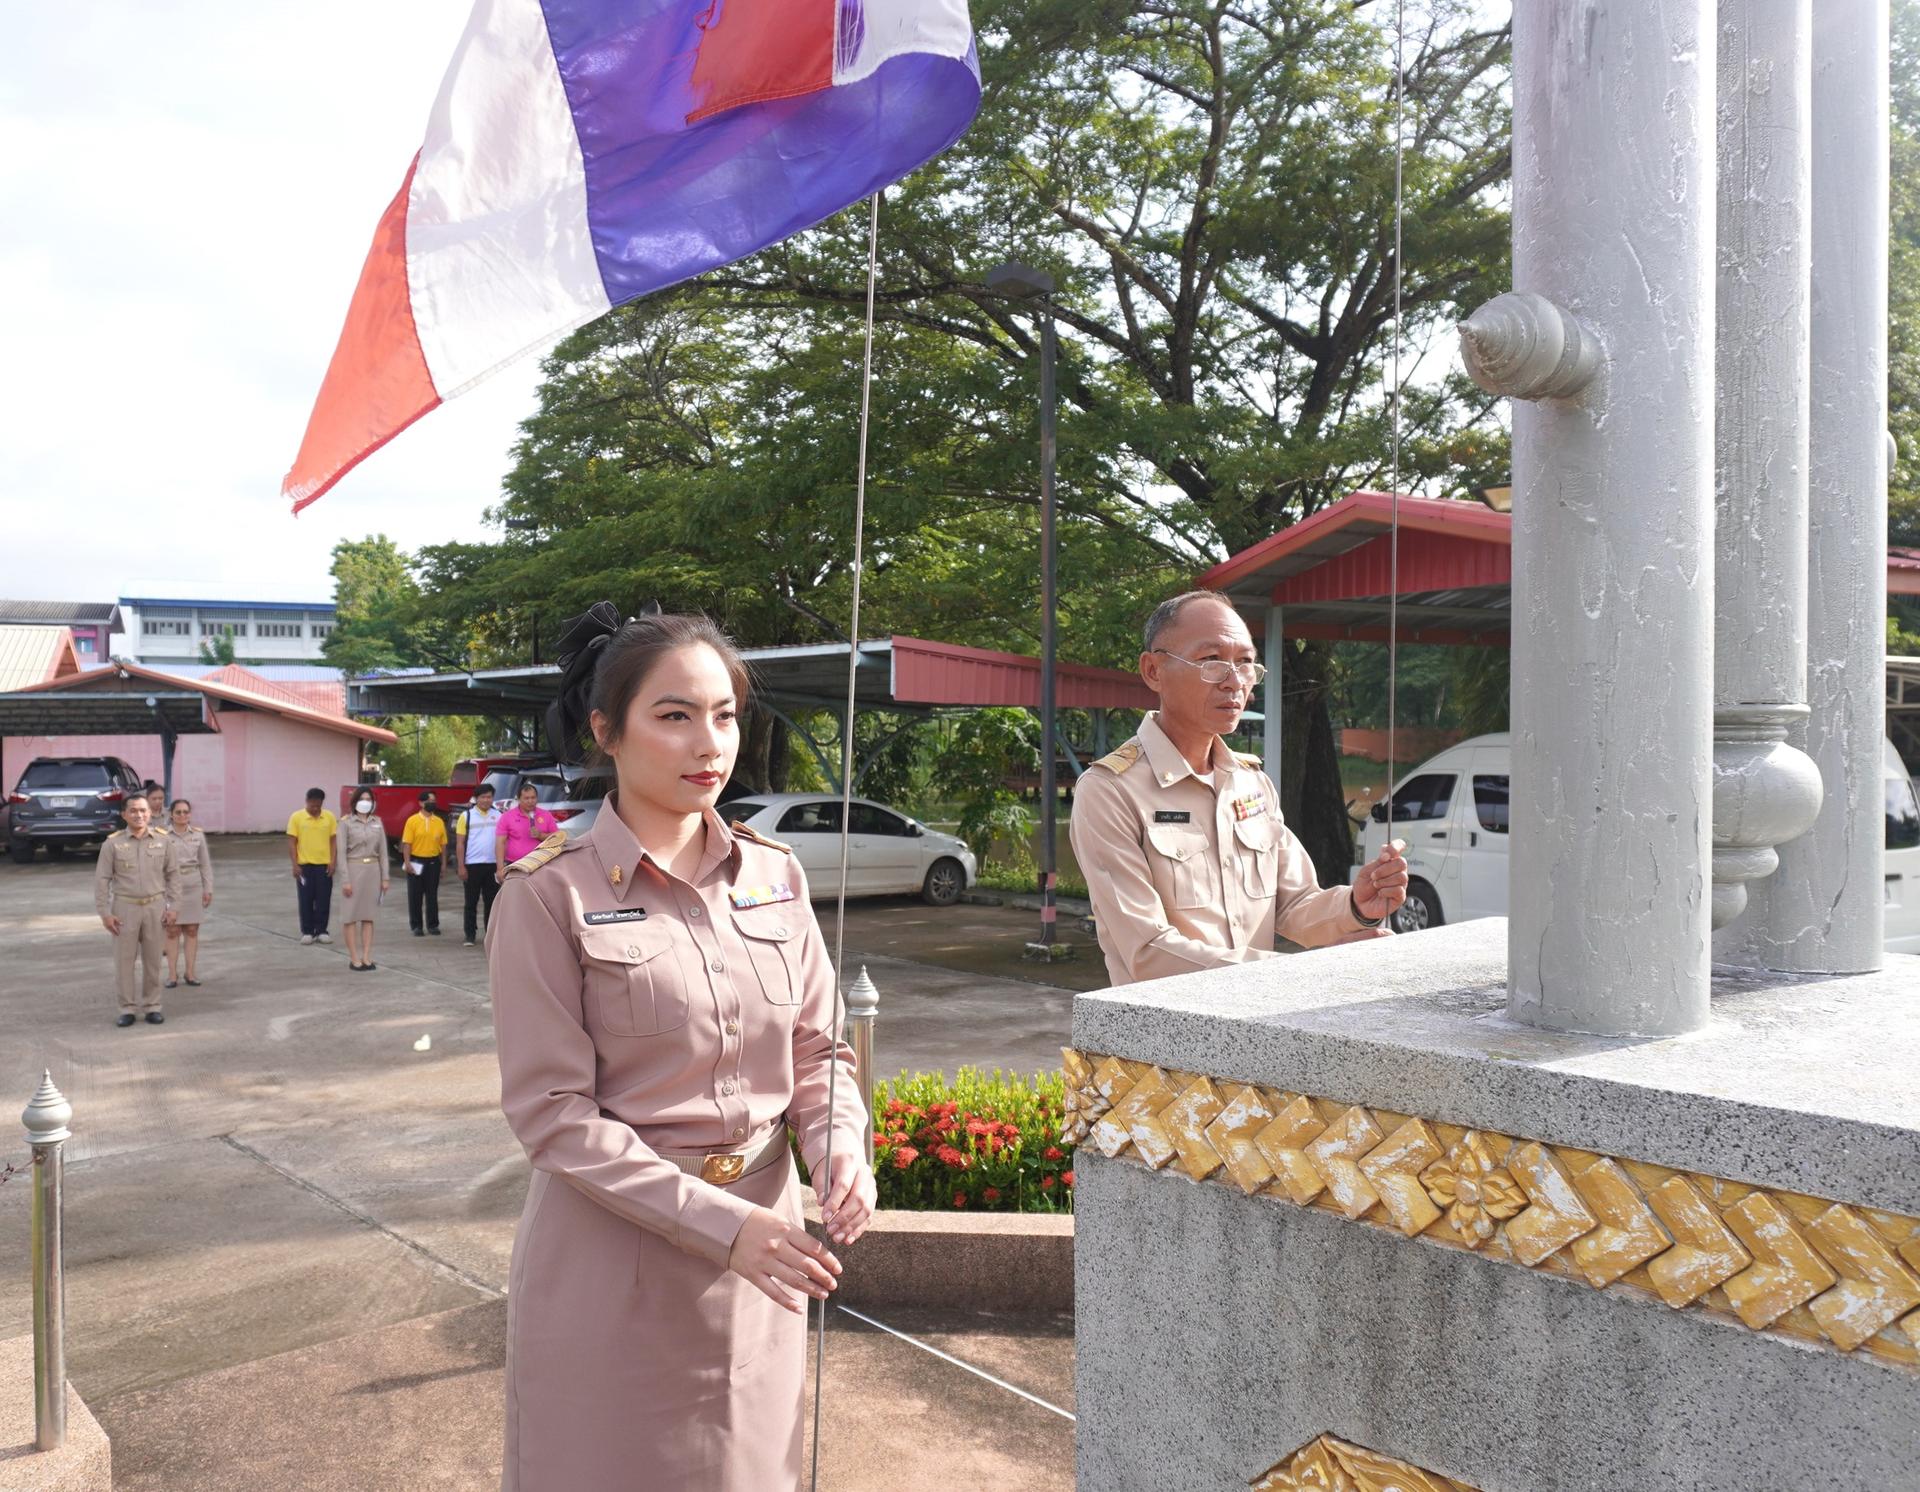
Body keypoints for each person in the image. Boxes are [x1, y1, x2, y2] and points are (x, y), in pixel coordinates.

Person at [488, 605, 872, 1491]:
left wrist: (837, 1146)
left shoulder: (776, 876)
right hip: (616, 1261)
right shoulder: (549, 897)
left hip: (763, 1263)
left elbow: (817, 1050)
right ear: (605, 730)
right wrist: (722, 1225)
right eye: (674, 715)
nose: (710, 742)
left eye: (726, 714)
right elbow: (553, 1118)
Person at [1070, 590, 1410, 986]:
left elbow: (1294, 903)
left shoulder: (1251, 783)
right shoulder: (1110, 791)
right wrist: (1294, 972)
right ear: (1153, 671)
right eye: (1211, 661)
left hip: (1254, 1025)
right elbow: (1148, 950)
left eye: (1246, 663)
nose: (1234, 682)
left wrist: (1355, 905)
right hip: (1162, 1037)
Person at [94, 794, 178, 1026]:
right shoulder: (112, 843)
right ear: (124, 814)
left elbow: (173, 875)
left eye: (143, 810)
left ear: (150, 813)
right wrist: (105, 913)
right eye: (133, 811)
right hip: (124, 908)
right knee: (124, 961)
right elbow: (102, 880)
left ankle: (153, 1006)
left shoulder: (163, 841)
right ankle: (127, 1008)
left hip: (155, 906)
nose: (139, 815)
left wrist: (174, 907)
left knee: (153, 960)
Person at [163, 799, 213, 988]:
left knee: (192, 930)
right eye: (178, 812)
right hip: (171, 886)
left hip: (193, 885)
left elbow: (205, 864)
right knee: (172, 930)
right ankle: (172, 975)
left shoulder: (198, 836)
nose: (182, 816)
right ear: (172, 815)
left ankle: (190, 973)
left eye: (186, 812)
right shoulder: (163, 836)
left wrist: (208, 889)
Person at [339, 790, 390, 971]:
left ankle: (367, 956)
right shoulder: (346, 823)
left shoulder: (378, 822)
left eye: (369, 799)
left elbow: (383, 853)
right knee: (350, 916)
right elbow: (341, 854)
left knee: (369, 916)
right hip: (354, 869)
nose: (365, 802)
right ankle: (354, 958)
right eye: (362, 799)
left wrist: (385, 877)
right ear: (355, 802)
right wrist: (345, 880)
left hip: (373, 871)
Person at [455, 783, 504, 947]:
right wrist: (461, 866)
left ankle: (489, 935)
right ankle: (470, 935)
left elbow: (504, 841)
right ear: (476, 798)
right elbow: (460, 843)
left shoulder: (499, 816)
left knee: (491, 902)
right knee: (471, 902)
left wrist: (500, 866)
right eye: (482, 797)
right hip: (472, 865)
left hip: (492, 865)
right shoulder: (466, 816)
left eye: (489, 797)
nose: (486, 800)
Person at [287, 788, 338, 945]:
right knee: (305, 899)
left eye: (318, 805)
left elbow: (333, 841)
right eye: (312, 805)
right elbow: (292, 842)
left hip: (323, 865)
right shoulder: (297, 817)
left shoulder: (329, 817)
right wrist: (295, 864)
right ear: (306, 801)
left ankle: (322, 930)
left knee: (323, 899)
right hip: (304, 866)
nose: (315, 809)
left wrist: (333, 861)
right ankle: (307, 931)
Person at [401, 791, 450, 936]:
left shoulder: (439, 821)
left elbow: (443, 845)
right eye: (429, 800)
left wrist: (444, 864)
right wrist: (407, 861)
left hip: (433, 862)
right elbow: (407, 844)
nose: (432, 803)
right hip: (416, 861)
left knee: (432, 895)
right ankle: (416, 926)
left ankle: (433, 925)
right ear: (421, 803)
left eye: (434, 800)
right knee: (415, 895)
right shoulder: (412, 821)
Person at [495, 781, 559, 877]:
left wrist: (541, 835)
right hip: (515, 865)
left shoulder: (546, 815)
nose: (530, 801)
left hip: (540, 864)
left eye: (533, 798)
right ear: (519, 799)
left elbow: (557, 838)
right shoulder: (507, 816)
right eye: (526, 798)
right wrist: (500, 869)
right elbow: (500, 843)